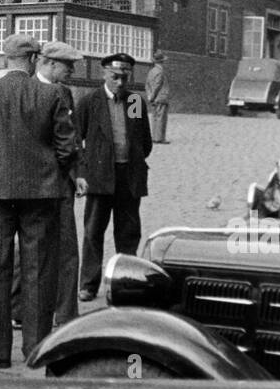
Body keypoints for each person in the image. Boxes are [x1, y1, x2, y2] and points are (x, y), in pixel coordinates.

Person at [0, 34, 77, 368]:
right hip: (41, 198)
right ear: (35, 59)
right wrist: (51, 176)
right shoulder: (52, 94)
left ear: (6, 59)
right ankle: (36, 350)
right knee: (39, 268)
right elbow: (68, 148)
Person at [11, 40, 85, 330]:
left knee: (66, 249)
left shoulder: (64, 92)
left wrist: (78, 173)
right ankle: (19, 310)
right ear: (50, 64)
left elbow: (73, 137)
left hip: (61, 185)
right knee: (27, 248)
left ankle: (65, 315)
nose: (72, 71)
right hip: (32, 184)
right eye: (68, 66)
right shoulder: (25, 90)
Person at [75, 53, 152, 302]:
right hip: (99, 177)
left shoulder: (134, 101)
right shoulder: (90, 101)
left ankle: (126, 282)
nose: (120, 82)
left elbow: (143, 140)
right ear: (104, 74)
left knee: (128, 232)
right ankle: (88, 285)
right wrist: (84, 171)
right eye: (115, 77)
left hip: (129, 176)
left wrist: (134, 160)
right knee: (93, 231)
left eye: (124, 77)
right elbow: (75, 140)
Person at [145, 49, 170, 143]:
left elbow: (147, 85)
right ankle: (159, 138)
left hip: (153, 98)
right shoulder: (161, 72)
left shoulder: (151, 71)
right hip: (161, 97)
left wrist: (149, 96)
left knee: (155, 117)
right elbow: (157, 85)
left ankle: (154, 136)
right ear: (162, 62)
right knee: (161, 118)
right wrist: (153, 96)